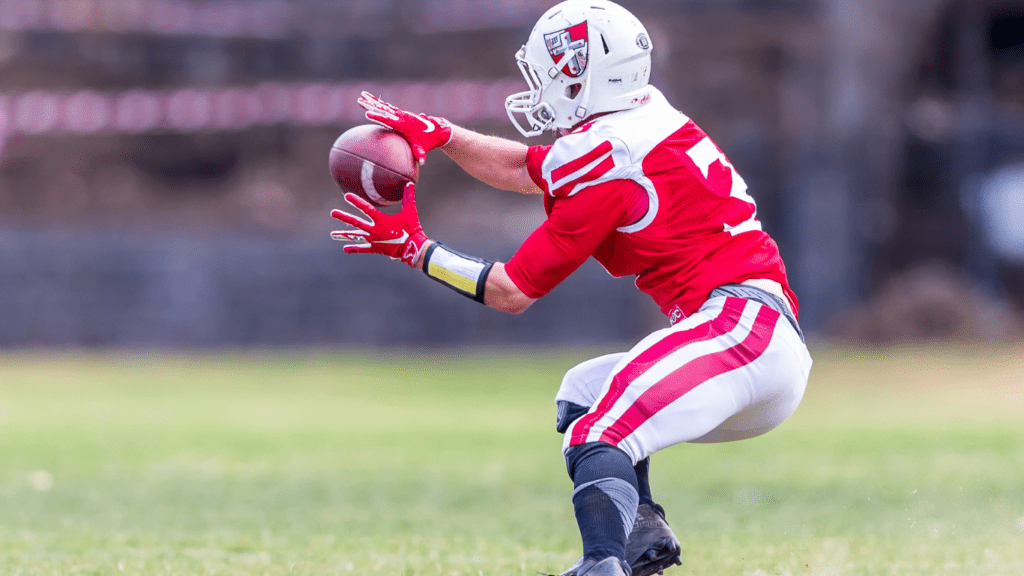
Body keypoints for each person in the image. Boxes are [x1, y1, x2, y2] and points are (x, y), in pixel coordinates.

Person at [330, 1, 813, 575]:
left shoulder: (612, 155)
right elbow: (527, 169)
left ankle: (600, 564)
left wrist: (418, 251)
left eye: (549, 74)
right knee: (585, 391)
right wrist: (444, 135)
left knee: (599, 429)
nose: (541, 88)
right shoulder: (639, 122)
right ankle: (639, 539)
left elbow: (512, 291)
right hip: (750, 335)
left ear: (584, 74)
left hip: (738, 330)